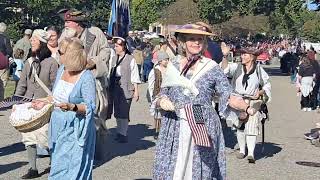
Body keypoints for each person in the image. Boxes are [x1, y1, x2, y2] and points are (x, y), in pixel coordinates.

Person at [152, 24, 257, 179]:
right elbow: (162, 94)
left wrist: (246, 108)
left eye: (200, 39)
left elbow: (227, 93)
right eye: (192, 39)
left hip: (202, 122)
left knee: (198, 167)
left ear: (205, 43)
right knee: (175, 168)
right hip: (175, 124)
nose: (196, 43)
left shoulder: (211, 67)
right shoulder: (173, 66)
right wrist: (162, 102)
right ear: (183, 42)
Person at [35, 38, 96, 179]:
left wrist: (72, 107)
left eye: (60, 52)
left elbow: (90, 107)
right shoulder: (62, 69)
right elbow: (55, 97)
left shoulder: (86, 77)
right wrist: (42, 102)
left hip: (76, 129)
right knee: (58, 166)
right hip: (58, 126)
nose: (57, 53)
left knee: (73, 168)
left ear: (71, 55)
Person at [59, 8, 111, 159]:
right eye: (65, 22)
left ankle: (97, 152)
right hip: (72, 82)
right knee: (73, 115)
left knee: (95, 117)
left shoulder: (95, 33)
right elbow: (59, 56)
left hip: (93, 81)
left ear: (78, 23)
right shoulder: (65, 36)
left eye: (68, 22)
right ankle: (77, 152)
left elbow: (106, 51)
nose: (65, 25)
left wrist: (93, 62)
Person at [15, 29, 59, 179]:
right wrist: (17, 102)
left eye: (34, 39)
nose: (31, 42)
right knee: (28, 137)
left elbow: (55, 86)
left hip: (45, 105)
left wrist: (49, 102)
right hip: (28, 104)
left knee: (47, 137)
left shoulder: (52, 62)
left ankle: (54, 166)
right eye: (32, 39)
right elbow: (22, 84)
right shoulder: (28, 61)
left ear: (42, 43)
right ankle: (33, 168)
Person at [221, 46, 272, 163]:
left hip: (253, 102)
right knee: (239, 126)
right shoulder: (237, 67)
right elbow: (225, 69)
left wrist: (260, 92)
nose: (242, 56)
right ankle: (242, 150)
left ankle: (250, 153)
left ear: (252, 57)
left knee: (252, 126)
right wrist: (224, 56)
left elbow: (267, 85)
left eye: (245, 55)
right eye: (242, 54)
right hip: (238, 100)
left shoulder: (259, 70)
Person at [108, 37, 140, 143]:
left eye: (117, 46)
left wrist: (136, 91)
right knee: (117, 111)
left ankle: (123, 133)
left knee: (124, 111)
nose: (115, 48)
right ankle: (119, 132)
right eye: (115, 46)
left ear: (123, 47)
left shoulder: (131, 59)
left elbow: (135, 76)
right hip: (115, 88)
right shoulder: (113, 58)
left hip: (127, 89)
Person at [147, 51, 169, 140]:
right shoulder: (155, 71)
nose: (167, 61)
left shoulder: (169, 70)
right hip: (157, 94)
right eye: (165, 60)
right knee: (158, 114)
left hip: (167, 94)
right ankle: (157, 130)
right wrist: (152, 95)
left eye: (168, 59)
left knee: (166, 113)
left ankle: (165, 130)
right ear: (160, 61)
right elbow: (151, 84)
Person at [0, 22, 13, 101]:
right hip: (3, 62)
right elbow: (9, 51)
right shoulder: (6, 38)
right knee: (3, 83)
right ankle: (1, 101)